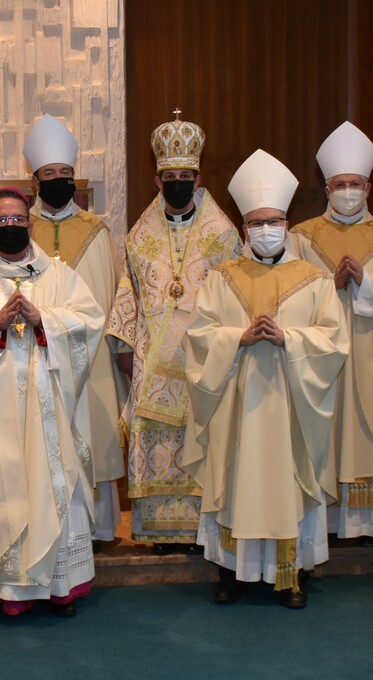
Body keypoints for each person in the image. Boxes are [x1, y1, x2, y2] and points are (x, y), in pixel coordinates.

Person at [185, 150, 347, 609]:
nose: (266, 229)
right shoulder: (221, 278)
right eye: (257, 222)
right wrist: (237, 337)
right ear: (243, 230)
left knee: (288, 480)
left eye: (274, 220)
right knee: (236, 479)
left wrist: (289, 338)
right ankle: (231, 573)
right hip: (237, 405)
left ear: (287, 225)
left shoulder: (315, 280)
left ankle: (291, 573)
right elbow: (199, 336)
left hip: (291, 407)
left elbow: (335, 341)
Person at [0, 187, 104, 622]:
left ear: (31, 224)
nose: (9, 228)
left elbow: (89, 320)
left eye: (17, 221)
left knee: (49, 487)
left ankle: (56, 587)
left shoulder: (60, 276)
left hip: (46, 415)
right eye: (0, 223)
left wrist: (43, 320)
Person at [106, 110, 241, 554]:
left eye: (186, 175)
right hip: (153, 361)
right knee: (158, 440)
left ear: (198, 179)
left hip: (207, 360)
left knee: (201, 439)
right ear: (156, 180)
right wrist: (124, 345)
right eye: (170, 176)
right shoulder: (139, 235)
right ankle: (161, 533)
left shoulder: (224, 235)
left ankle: (203, 531)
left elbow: (237, 292)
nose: (178, 183)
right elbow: (128, 290)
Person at [288, 122, 373, 540]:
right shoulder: (301, 236)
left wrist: (370, 285)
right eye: (340, 184)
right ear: (326, 189)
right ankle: (322, 522)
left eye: (356, 183)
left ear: (369, 187)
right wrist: (329, 286)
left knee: (365, 432)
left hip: (371, 356)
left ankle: (366, 525)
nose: (349, 190)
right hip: (320, 359)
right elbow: (286, 294)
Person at [23, 114, 128, 547]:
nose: (59, 181)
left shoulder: (97, 231)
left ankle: (98, 527)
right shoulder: (17, 231)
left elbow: (110, 293)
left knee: (91, 428)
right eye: (50, 175)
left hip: (90, 353)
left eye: (66, 174)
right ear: (35, 181)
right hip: (35, 349)